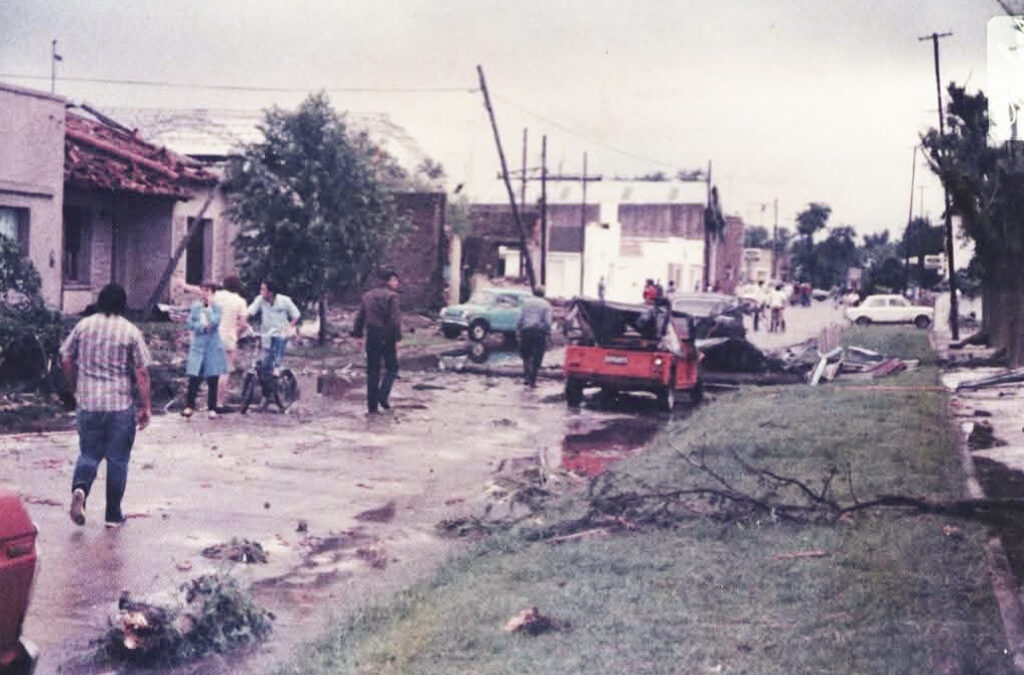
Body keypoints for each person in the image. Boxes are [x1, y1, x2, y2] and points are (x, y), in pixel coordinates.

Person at [61, 284, 152, 528]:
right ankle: (113, 515)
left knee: (89, 454)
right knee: (118, 459)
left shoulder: (83, 326)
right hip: (119, 406)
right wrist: (146, 407)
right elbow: (141, 372)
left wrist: (76, 386)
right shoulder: (130, 331)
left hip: (89, 403)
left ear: (100, 301)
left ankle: (80, 490)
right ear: (123, 304)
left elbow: (66, 358)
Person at [178, 276, 248, 408]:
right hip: (228, 338)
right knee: (225, 370)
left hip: (211, 336)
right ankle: (218, 403)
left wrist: (184, 285)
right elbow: (243, 324)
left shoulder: (216, 295)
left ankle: (199, 402)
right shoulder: (240, 301)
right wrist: (237, 334)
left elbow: (198, 291)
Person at [352, 270, 402, 414]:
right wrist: (397, 339)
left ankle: (372, 407)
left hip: (372, 335)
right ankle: (383, 395)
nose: (397, 284)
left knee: (372, 371)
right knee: (392, 368)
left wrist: (358, 335)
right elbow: (394, 320)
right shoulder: (393, 297)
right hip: (387, 335)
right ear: (389, 281)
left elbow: (360, 316)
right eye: (395, 281)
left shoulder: (367, 296)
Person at [183, 281, 229, 419]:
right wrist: (202, 327)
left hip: (212, 346)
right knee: (194, 377)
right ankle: (189, 406)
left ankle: (212, 408)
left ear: (213, 293)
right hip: (198, 345)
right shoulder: (196, 307)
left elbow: (215, 322)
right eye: (203, 290)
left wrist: (209, 308)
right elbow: (190, 323)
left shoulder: (217, 308)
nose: (204, 294)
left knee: (212, 377)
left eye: (207, 291)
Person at [247, 279, 301, 371]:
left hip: (280, 333)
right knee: (266, 360)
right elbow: (250, 311)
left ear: (270, 292)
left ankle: (278, 375)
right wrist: (244, 322)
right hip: (267, 334)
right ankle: (267, 380)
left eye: (263, 289)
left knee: (276, 360)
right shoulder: (260, 300)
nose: (261, 292)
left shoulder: (284, 300)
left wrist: (289, 327)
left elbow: (296, 315)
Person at [517, 285, 552, 388]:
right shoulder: (546, 305)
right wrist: (548, 333)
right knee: (537, 355)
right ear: (543, 294)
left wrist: (518, 330)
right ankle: (533, 380)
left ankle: (526, 377)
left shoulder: (526, 303)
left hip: (526, 331)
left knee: (526, 356)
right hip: (539, 333)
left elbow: (520, 317)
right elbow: (548, 322)